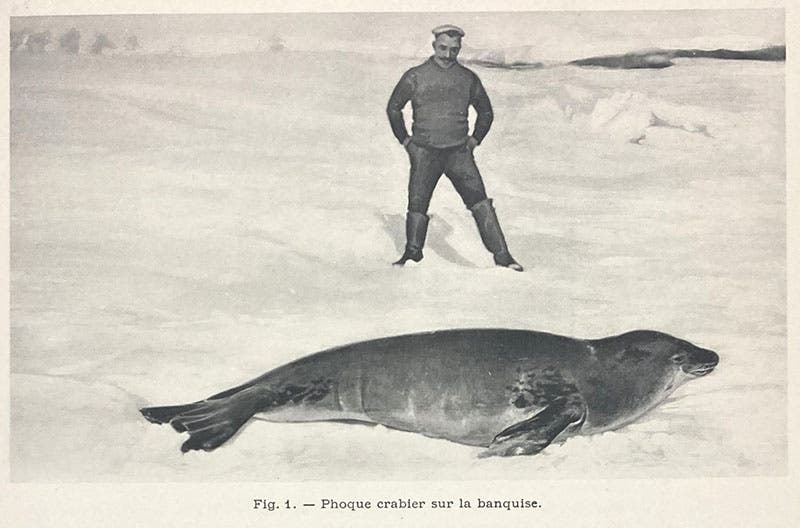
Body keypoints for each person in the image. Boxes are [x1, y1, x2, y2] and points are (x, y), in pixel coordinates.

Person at [386, 24, 523, 272]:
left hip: (458, 153)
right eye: (443, 48)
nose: (448, 55)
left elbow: (486, 112)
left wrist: (473, 141)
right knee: (417, 204)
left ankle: (503, 257)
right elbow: (394, 108)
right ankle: (412, 254)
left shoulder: (468, 78)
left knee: (480, 203)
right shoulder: (415, 76)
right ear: (434, 46)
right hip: (424, 152)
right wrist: (406, 142)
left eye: (454, 50)